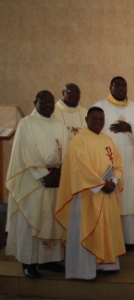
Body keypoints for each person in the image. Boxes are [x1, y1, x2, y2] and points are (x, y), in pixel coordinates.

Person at [56, 107, 125, 280]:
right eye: (95, 119)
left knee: (106, 229)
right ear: (87, 119)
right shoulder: (78, 141)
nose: (98, 123)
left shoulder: (107, 139)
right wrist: (100, 185)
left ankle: (105, 265)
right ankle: (83, 270)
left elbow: (118, 162)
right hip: (87, 195)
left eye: (101, 119)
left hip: (107, 194)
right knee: (86, 229)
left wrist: (114, 181)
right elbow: (79, 168)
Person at [5, 90, 69, 278]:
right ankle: (29, 262)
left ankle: (50, 260)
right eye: (44, 101)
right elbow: (27, 151)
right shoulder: (26, 123)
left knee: (52, 218)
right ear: (35, 102)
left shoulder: (59, 124)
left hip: (56, 179)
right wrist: (43, 174)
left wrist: (61, 173)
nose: (48, 105)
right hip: (35, 181)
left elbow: (66, 150)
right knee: (32, 218)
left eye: (51, 101)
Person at [94, 76, 134, 252]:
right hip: (106, 166)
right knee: (110, 199)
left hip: (131, 166)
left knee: (129, 199)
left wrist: (130, 128)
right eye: (117, 85)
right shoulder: (100, 108)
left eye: (124, 85)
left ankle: (129, 238)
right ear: (110, 87)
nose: (121, 88)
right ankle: (110, 239)